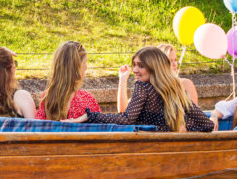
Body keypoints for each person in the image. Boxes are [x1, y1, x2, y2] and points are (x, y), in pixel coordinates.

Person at [65, 46, 213, 132]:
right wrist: (178, 132)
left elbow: (127, 119)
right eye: (134, 64)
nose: (135, 70)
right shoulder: (177, 90)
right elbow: (207, 125)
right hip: (169, 154)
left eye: (140, 66)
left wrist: (90, 116)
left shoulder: (143, 87)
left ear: (154, 68)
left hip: (145, 153)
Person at [116, 43, 198, 111]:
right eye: (170, 61)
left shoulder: (184, 84)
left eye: (175, 60)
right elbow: (124, 113)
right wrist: (122, 80)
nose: (174, 64)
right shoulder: (146, 88)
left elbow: (194, 118)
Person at [34, 41, 101, 120]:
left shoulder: (47, 97)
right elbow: (102, 128)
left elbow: (39, 126)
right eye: (85, 62)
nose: (86, 67)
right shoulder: (85, 99)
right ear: (76, 68)